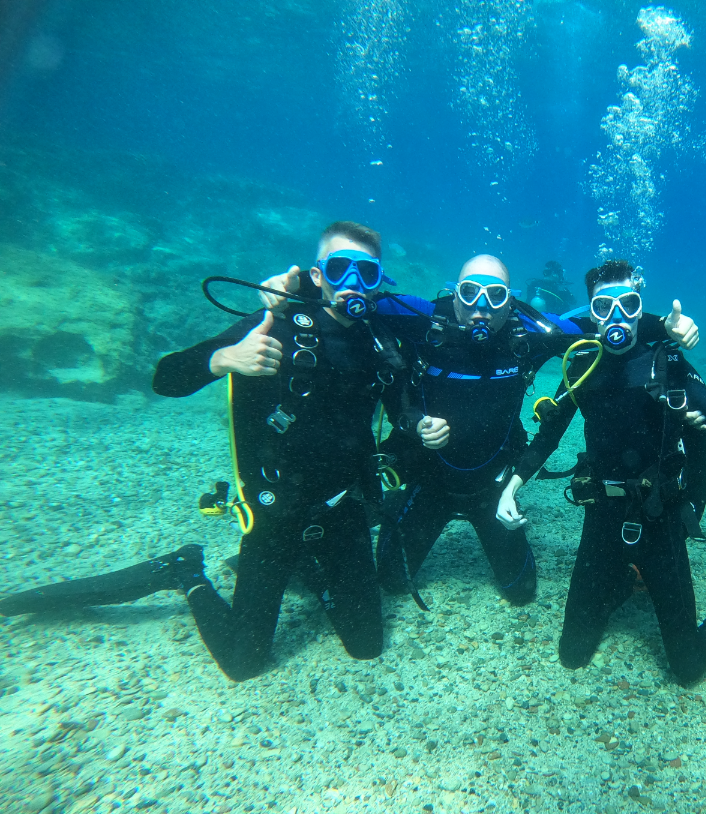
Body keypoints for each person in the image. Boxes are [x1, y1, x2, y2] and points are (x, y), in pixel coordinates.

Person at [1, 221, 406, 682]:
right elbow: (166, 377)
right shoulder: (277, 323)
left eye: (366, 273)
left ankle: (312, 569)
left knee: (368, 647)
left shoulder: (382, 338)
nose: (352, 282)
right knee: (242, 662)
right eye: (339, 267)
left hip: (344, 509)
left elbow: (437, 327)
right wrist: (223, 360)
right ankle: (184, 571)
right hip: (276, 512)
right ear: (318, 275)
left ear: (379, 281)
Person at [258, 254, 699, 610]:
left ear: (511, 301)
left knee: (522, 592)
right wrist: (298, 289)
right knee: (390, 581)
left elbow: (608, 324)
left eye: (495, 294)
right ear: (455, 293)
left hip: (492, 485)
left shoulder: (527, 331)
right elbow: (358, 300)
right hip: (429, 480)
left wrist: (664, 325)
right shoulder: (424, 318)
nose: (481, 307)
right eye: (470, 293)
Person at [496, 259, 706, 684]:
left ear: (641, 308)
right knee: (572, 655)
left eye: (629, 303)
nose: (617, 316)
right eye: (604, 306)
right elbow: (547, 436)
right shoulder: (581, 364)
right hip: (601, 514)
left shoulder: (669, 363)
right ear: (591, 312)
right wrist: (512, 486)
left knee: (688, 668)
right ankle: (621, 582)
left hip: (660, 518)